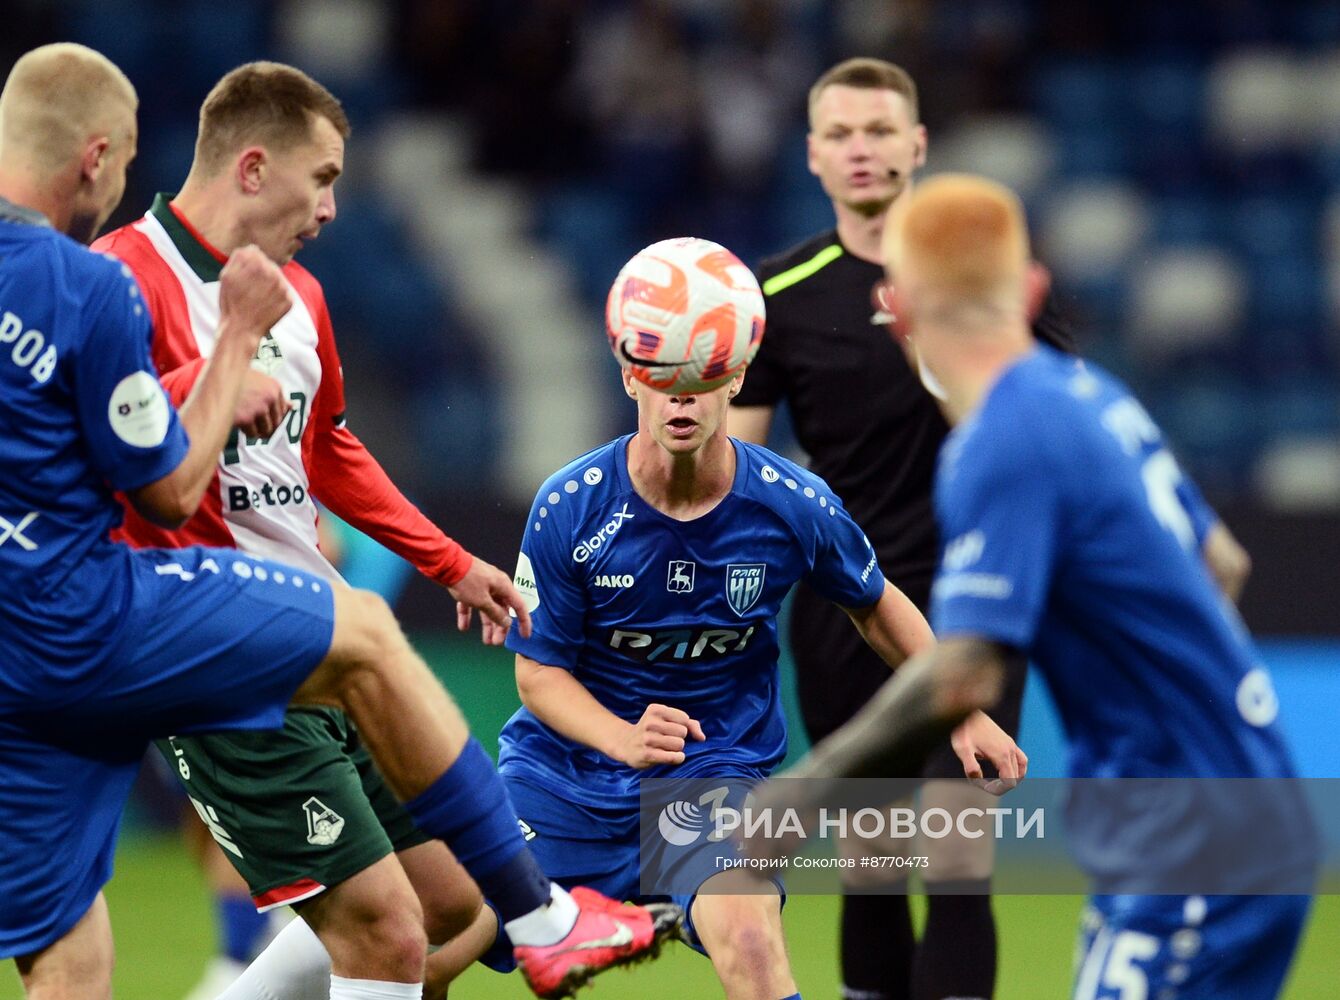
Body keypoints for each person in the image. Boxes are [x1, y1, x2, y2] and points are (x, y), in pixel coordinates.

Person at [0, 43, 675, 1000]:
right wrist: (213, 374)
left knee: (449, 910)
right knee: (389, 937)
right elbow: (123, 464)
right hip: (213, 660)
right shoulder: (118, 278)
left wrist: (445, 562)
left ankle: (530, 918)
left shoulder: (300, 297)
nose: (328, 210)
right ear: (252, 166)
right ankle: (550, 921)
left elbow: (330, 452)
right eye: (321, 180)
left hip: (302, 633)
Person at [727, 57, 1249, 1000]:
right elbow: (741, 479)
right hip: (850, 616)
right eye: (840, 133)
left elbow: (1057, 415)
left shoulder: (984, 284)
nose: (861, 149)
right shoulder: (779, 292)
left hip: (980, 615)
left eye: (880, 130)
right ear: (811, 154)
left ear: (917, 145)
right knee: (873, 875)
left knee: (959, 862)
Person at [437, 274, 1027, 1000]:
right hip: (565, 777)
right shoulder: (570, 505)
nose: (681, 397)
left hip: (708, 777)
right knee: (432, 940)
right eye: (662, 378)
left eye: (704, 376)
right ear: (629, 377)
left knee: (749, 937)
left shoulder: (791, 503)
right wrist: (621, 737)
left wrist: (961, 711)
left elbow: (876, 604)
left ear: (738, 378)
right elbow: (539, 675)